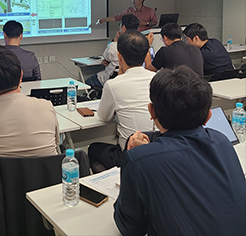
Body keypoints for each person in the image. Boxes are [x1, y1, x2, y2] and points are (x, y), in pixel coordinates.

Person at [114, 66, 246, 236]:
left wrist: (139, 157)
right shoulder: (222, 141)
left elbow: (130, 228)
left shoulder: (138, 161)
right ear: (208, 116)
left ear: (151, 111)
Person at [0, 45, 59, 165]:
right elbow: (56, 143)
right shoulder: (46, 106)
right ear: (21, 76)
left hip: (4, 177)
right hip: (49, 176)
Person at [87, 31, 155, 171]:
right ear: (147, 55)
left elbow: (104, 117)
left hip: (130, 154)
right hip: (155, 151)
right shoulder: (157, 79)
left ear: (119, 56)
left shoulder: (113, 85)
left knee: (93, 148)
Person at [86, 15, 140, 91]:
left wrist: (115, 40)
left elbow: (106, 57)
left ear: (123, 27)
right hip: (130, 82)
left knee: (87, 82)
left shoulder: (115, 46)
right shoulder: (139, 45)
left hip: (111, 80)